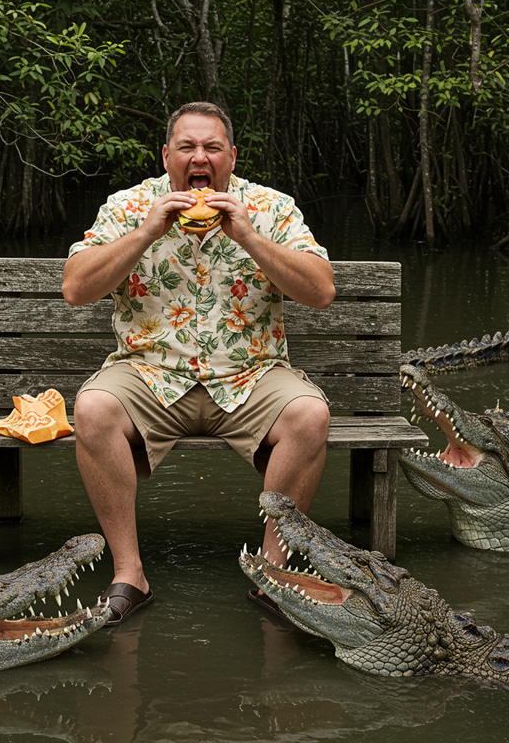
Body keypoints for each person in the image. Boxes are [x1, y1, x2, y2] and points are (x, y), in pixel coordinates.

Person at [62, 102, 335, 625]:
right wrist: (145, 233)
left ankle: (272, 574)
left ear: (232, 156)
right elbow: (75, 288)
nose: (199, 157)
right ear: (166, 156)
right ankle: (129, 574)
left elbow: (321, 292)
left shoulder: (271, 208)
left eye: (212, 147)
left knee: (310, 415)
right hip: (149, 372)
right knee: (93, 409)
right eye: (186, 147)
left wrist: (249, 238)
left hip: (250, 374)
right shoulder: (128, 206)